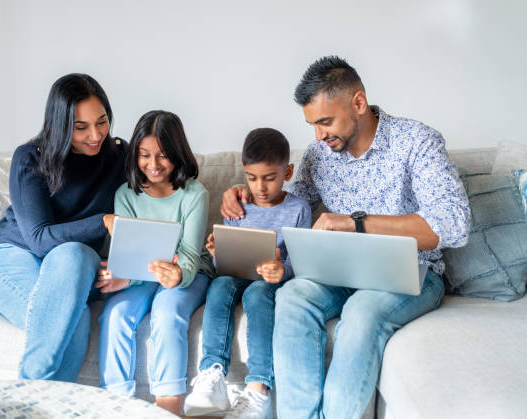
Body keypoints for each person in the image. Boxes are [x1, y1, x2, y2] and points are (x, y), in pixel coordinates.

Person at [221, 56, 470, 419]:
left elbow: (454, 223)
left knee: (361, 312)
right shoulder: (318, 156)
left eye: (325, 121)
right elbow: (285, 207)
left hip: (409, 272)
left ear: (358, 102)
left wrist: (357, 222)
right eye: (312, 125)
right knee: (291, 297)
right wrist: (241, 197)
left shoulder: (417, 141)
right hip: (338, 271)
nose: (319, 135)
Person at [0, 73, 126, 382]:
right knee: (73, 318)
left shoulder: (119, 155)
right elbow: (40, 240)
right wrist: (102, 221)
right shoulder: (30, 158)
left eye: (102, 121)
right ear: (60, 125)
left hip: (74, 263)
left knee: (73, 254)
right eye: (81, 127)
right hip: (13, 256)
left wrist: (242, 195)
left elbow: (168, 175)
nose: (95, 135)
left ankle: (25, 408)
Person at [184, 128, 311, 419]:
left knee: (257, 293)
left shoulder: (298, 209)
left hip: (269, 282)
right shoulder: (238, 206)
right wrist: (219, 254)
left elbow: (300, 262)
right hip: (236, 274)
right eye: (252, 178)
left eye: (270, 178)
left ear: (287, 171)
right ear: (244, 172)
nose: (261, 187)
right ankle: (212, 373)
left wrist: (283, 270)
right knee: (218, 287)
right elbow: (226, 265)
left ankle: (259, 389)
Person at [96, 110, 211, 415]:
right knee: (116, 315)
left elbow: (188, 256)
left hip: (189, 273)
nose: (153, 165)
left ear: (178, 154)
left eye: (163, 156)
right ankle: (117, 406)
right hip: (141, 275)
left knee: (166, 311)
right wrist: (124, 278)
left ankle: (169, 408)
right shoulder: (126, 195)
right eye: (144, 155)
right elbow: (130, 254)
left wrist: (177, 275)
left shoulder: (194, 195)